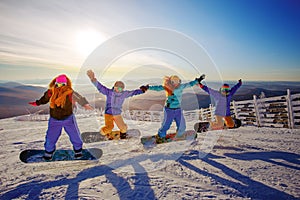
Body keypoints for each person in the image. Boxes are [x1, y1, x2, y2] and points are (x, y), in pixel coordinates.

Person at [29, 74, 93, 160]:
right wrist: (37, 103)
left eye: (63, 84)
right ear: (55, 83)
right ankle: (49, 151)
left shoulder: (70, 92)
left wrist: (85, 104)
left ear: (66, 84)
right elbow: (44, 99)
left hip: (68, 118)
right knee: (51, 136)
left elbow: (79, 98)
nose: (60, 86)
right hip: (54, 119)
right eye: (59, 84)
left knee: (75, 135)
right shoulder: (51, 92)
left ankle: (78, 150)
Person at [87, 70, 147, 139]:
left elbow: (133, 92)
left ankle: (123, 134)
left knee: (123, 128)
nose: (119, 90)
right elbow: (100, 87)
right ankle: (101, 133)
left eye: (121, 88)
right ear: (114, 87)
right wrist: (93, 80)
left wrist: (142, 90)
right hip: (108, 114)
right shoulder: (109, 92)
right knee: (109, 127)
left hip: (117, 114)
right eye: (117, 88)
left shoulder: (124, 94)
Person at [145, 74, 205, 142]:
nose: (176, 84)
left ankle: (180, 134)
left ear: (179, 82)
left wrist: (197, 80)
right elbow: (158, 88)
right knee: (166, 124)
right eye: (174, 82)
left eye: (177, 82)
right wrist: (148, 87)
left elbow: (189, 84)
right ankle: (161, 136)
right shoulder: (167, 87)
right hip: (169, 110)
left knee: (181, 124)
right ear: (171, 82)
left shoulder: (181, 87)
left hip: (178, 109)